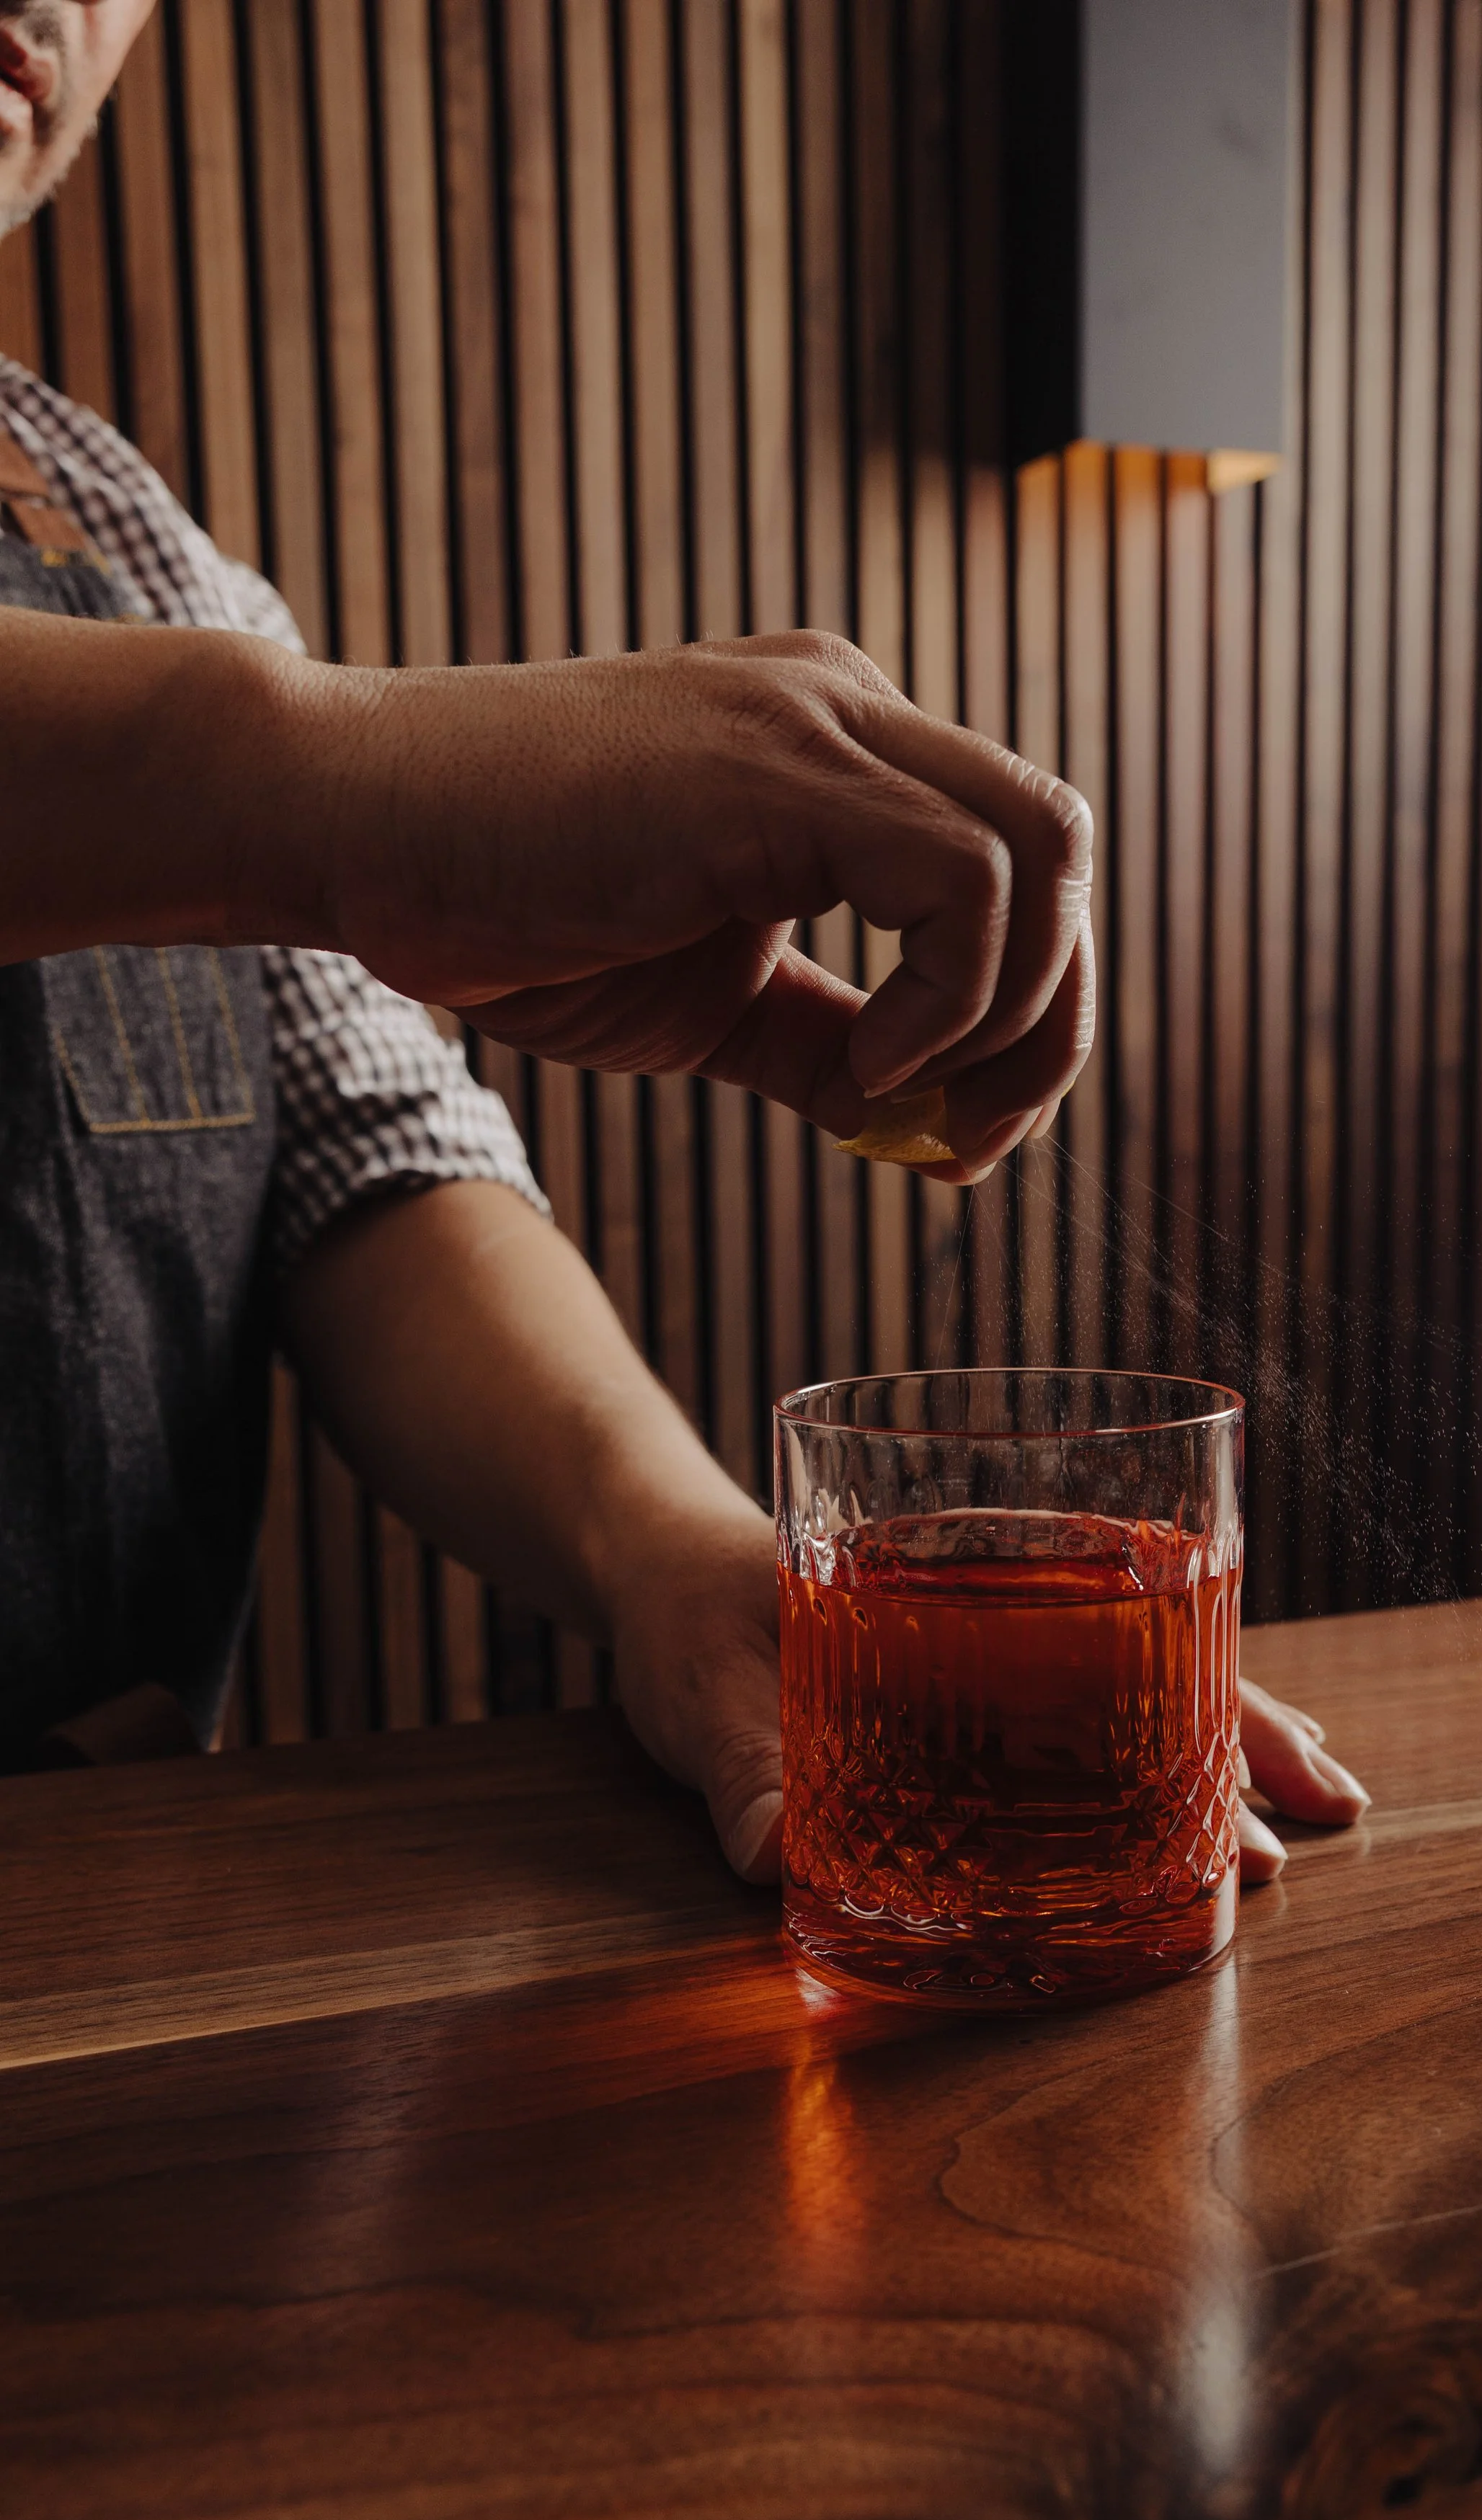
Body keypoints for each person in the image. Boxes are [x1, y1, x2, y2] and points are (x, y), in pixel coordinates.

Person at [0, 0, 1369, 1877]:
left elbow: (362, 1159)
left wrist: (677, 1547)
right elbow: (305, 816)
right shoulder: (227, 672)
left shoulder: (120, 528)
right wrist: (328, 781)